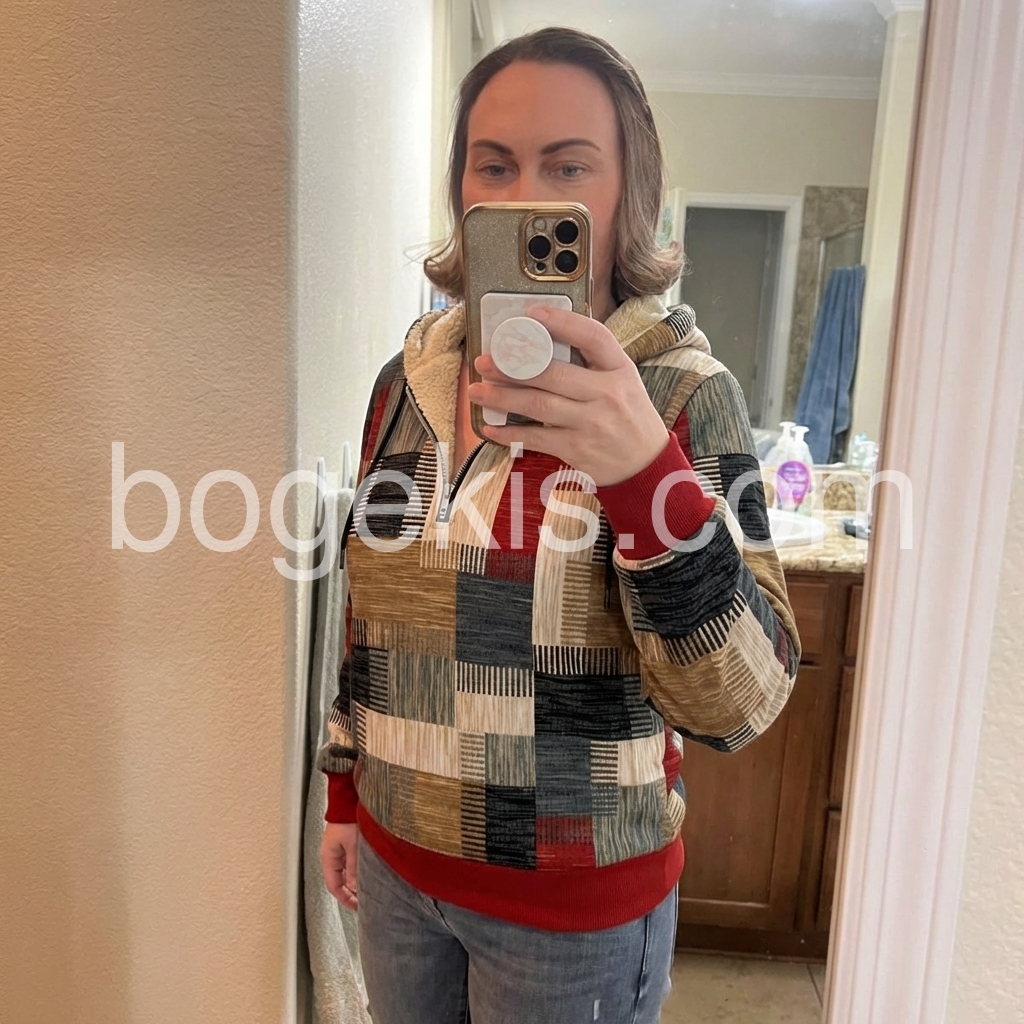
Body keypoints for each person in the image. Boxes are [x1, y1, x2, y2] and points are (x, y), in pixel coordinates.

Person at [319, 26, 801, 1024]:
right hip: (399, 875)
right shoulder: (404, 383)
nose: (522, 194)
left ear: (629, 193)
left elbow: (741, 701)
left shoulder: (683, 395)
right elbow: (366, 617)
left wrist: (643, 471)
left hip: (575, 916)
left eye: (568, 166)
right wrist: (343, 796)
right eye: (493, 165)